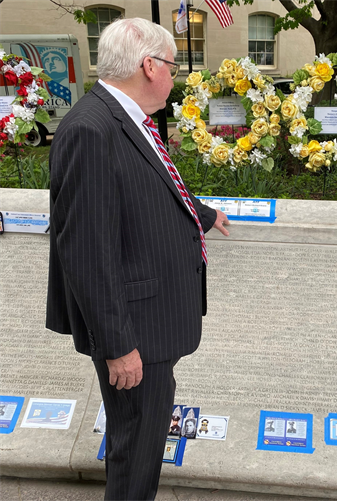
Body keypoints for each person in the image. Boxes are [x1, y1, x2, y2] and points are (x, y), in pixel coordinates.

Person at [46, 17, 229, 501]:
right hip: (134, 331)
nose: (174, 76)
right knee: (136, 448)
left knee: (144, 441)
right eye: (172, 66)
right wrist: (118, 345)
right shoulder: (91, 129)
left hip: (152, 322)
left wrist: (204, 214)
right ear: (149, 66)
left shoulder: (126, 118)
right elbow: (85, 249)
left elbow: (150, 186)